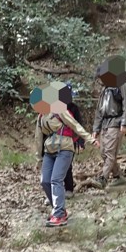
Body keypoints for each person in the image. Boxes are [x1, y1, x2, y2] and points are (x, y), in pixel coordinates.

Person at [36, 94, 98, 227]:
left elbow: (75, 124)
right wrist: (38, 157)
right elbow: (38, 137)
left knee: (56, 179)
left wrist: (89, 139)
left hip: (65, 147)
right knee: (45, 180)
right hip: (49, 150)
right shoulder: (41, 116)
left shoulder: (59, 110)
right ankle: (59, 210)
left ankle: (59, 214)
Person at [92, 78, 126, 188]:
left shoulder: (121, 85)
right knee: (103, 152)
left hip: (116, 122)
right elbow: (99, 111)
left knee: (110, 152)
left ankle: (103, 178)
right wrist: (96, 129)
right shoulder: (104, 90)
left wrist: (124, 123)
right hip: (105, 124)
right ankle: (118, 176)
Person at [63, 98, 85, 199]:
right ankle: (58, 190)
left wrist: (81, 142)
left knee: (67, 166)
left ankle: (69, 189)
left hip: (70, 141)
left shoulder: (73, 108)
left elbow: (79, 125)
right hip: (56, 142)